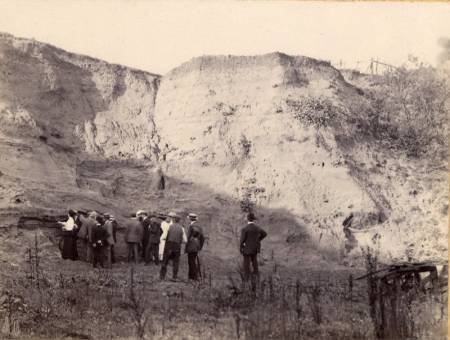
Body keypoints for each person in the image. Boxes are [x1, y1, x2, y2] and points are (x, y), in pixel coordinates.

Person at [240, 212, 267, 290]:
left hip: (247, 248)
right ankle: (256, 277)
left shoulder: (245, 229)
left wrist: (240, 248)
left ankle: (246, 279)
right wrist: (258, 240)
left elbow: (242, 240)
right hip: (255, 248)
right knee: (255, 262)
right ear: (254, 219)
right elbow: (265, 234)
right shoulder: (257, 228)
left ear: (248, 219)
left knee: (246, 264)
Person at [160, 212, 187, 281]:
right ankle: (174, 277)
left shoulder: (169, 227)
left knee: (165, 261)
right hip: (177, 246)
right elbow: (185, 240)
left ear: (174, 220)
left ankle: (162, 277)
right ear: (179, 220)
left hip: (169, 246)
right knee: (176, 262)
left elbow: (164, 237)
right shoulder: (182, 228)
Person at [185, 213, 205, 281]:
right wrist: (200, 247)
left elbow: (188, 237)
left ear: (190, 219)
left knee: (191, 261)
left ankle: (193, 277)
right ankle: (192, 277)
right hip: (197, 246)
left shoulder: (191, 226)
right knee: (193, 261)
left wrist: (186, 244)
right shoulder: (199, 227)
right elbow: (203, 238)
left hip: (191, 245)